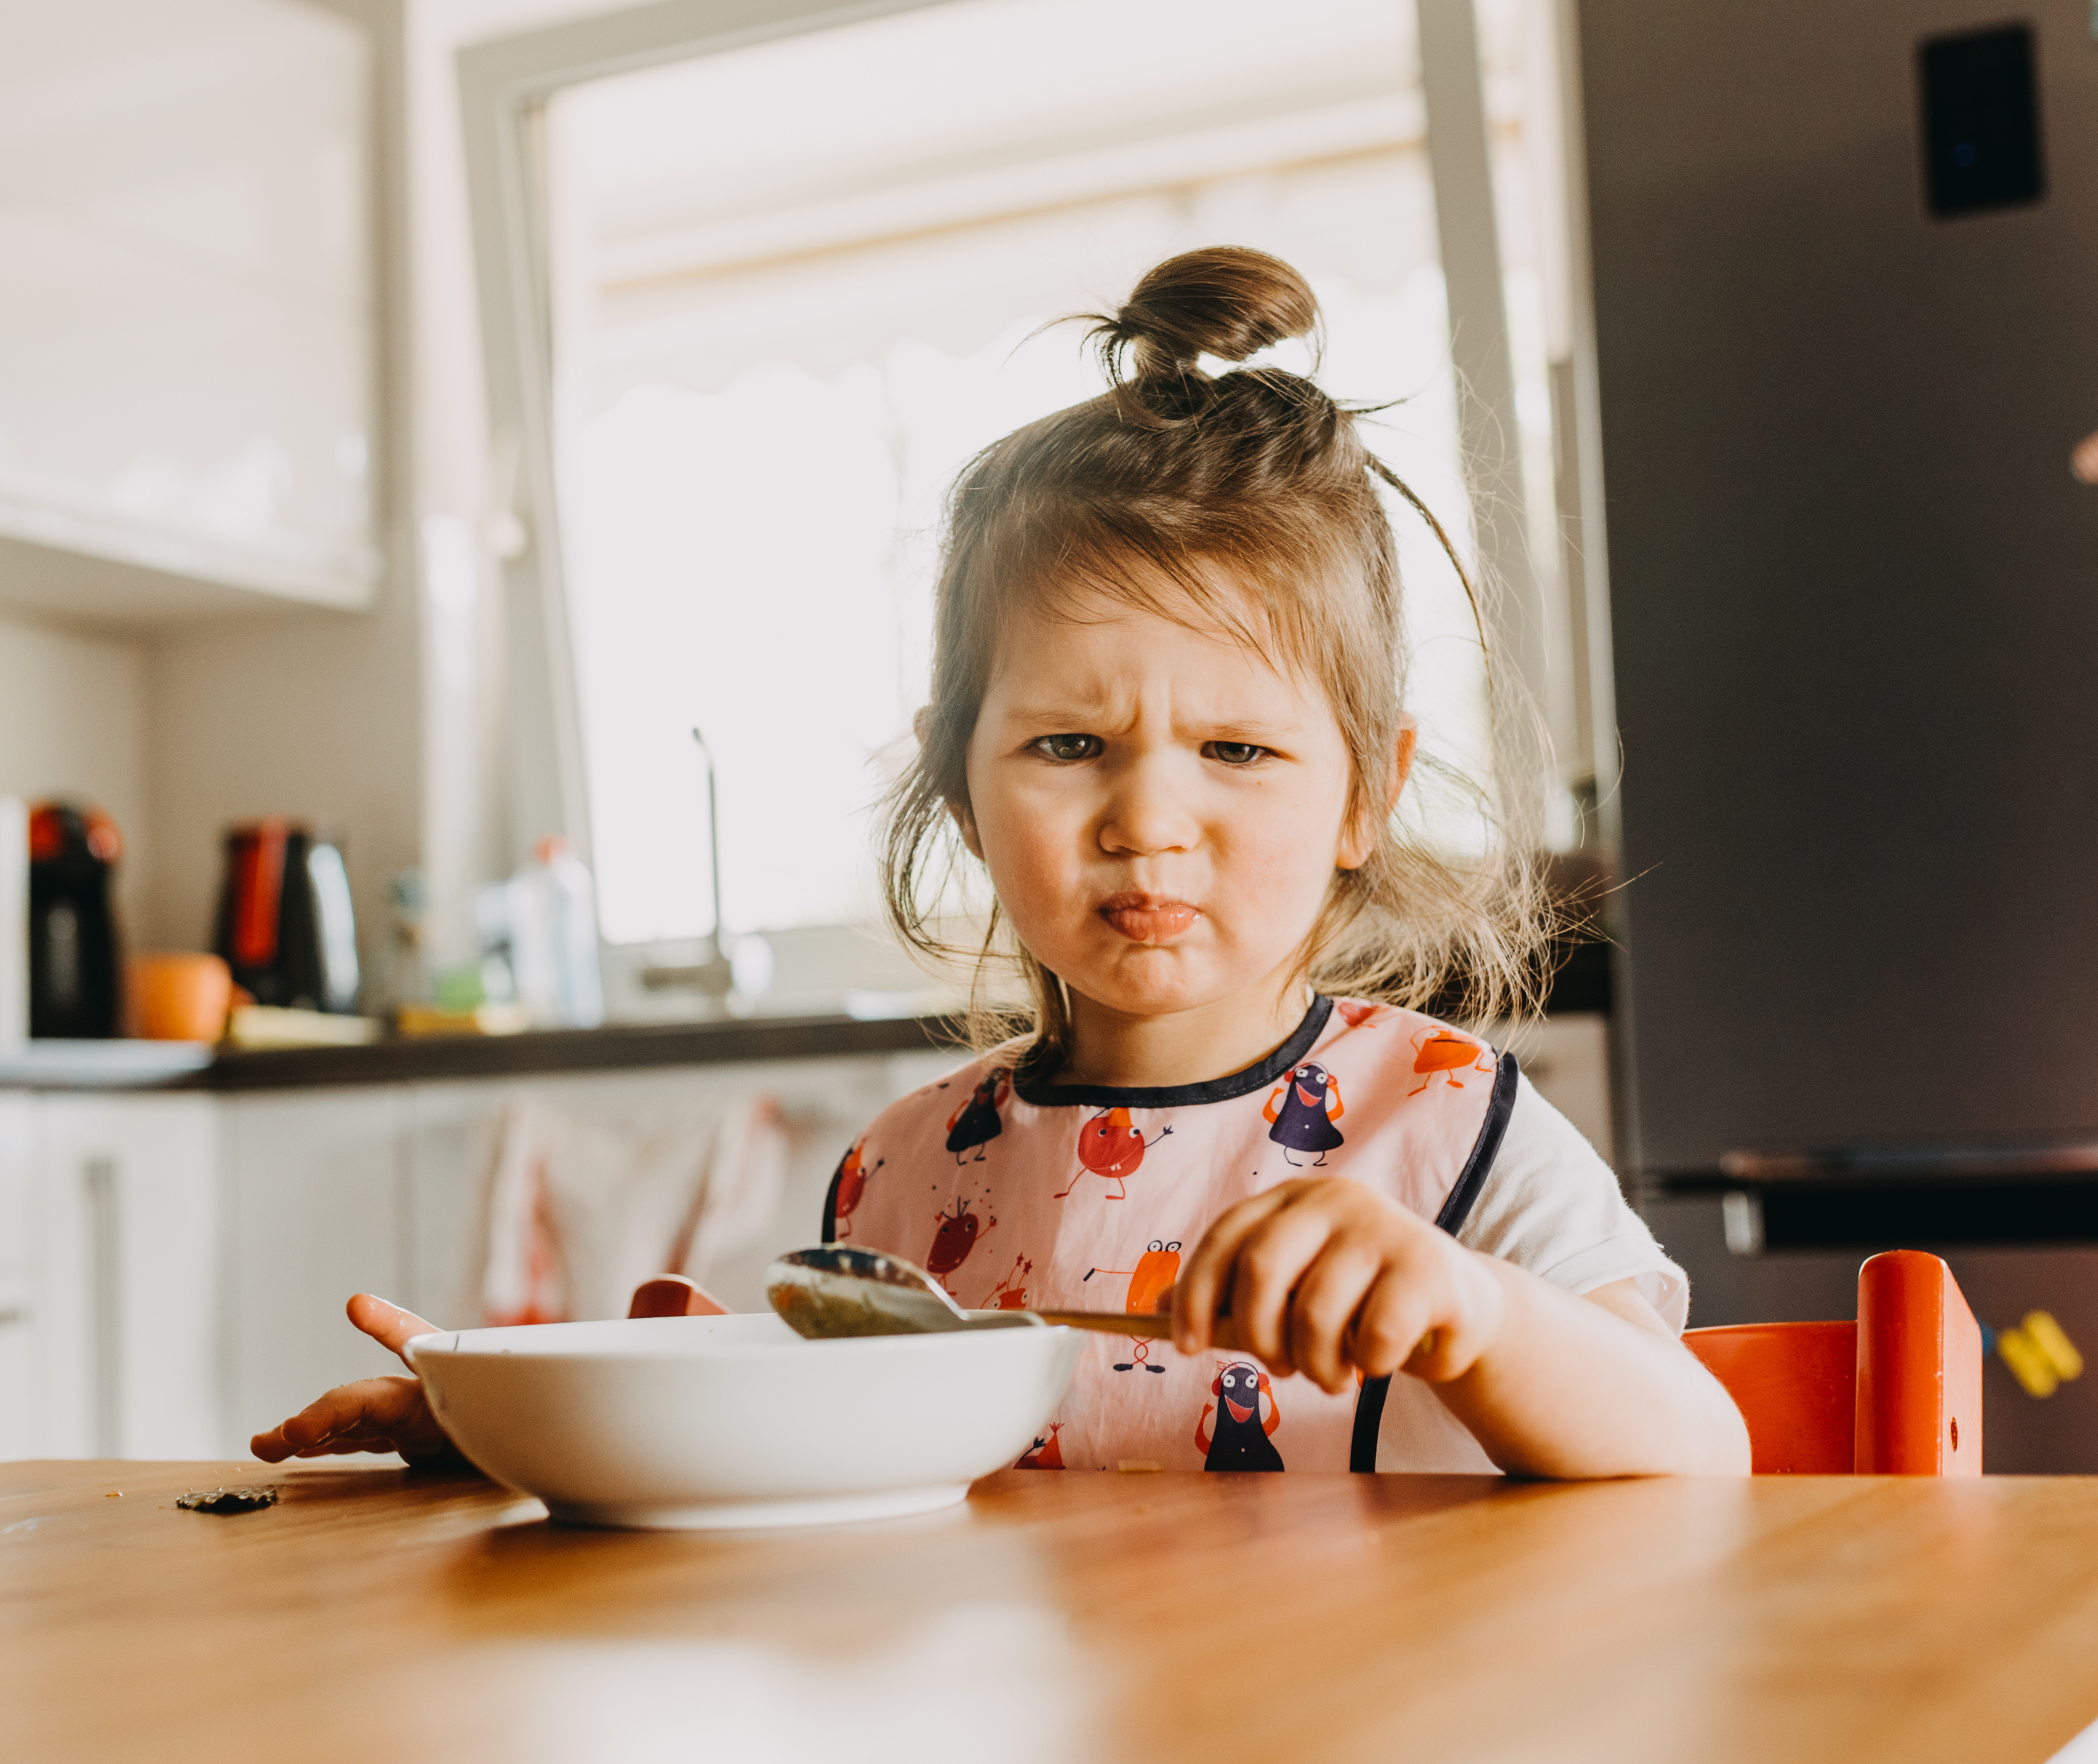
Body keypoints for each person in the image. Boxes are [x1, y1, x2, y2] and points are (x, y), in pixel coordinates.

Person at [252, 246, 1750, 1479]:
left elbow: (1696, 1453)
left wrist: (1475, 1314)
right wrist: (506, 1430)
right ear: (957, 783)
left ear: (1370, 795)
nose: (1148, 819)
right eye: (1065, 747)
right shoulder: (902, 1177)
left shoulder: (1450, 1130)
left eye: (1236, 751)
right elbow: (816, 1469)